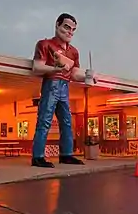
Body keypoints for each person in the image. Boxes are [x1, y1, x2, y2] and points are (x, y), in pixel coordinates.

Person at [31, 13, 95, 168]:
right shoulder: (45, 44)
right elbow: (37, 67)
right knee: (44, 120)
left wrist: (88, 76)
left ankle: (66, 154)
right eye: (67, 27)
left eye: (73, 29)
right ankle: (38, 156)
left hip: (65, 86)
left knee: (66, 122)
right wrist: (55, 68)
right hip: (51, 84)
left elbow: (74, 73)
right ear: (57, 25)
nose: (70, 32)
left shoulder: (73, 51)